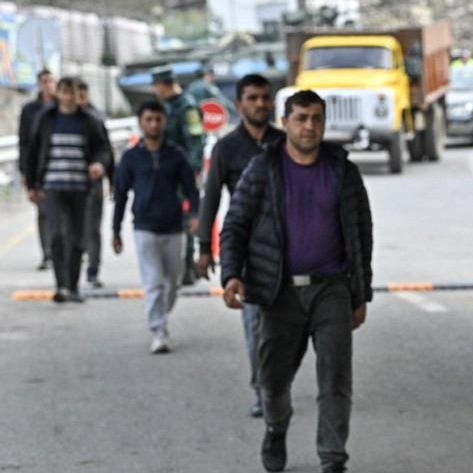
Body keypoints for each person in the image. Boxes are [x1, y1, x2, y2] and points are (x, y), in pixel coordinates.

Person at [220, 90, 373, 473]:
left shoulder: (342, 169)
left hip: (332, 289)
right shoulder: (264, 167)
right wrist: (232, 274)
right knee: (272, 380)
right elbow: (235, 224)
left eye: (317, 118)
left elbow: (361, 233)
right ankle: (276, 428)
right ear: (284, 122)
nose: (309, 126)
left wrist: (361, 293)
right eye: (301, 118)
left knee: (336, 376)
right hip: (278, 292)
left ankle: (333, 458)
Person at [196, 74, 284, 418]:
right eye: (252, 98)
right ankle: (263, 389)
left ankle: (278, 382)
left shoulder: (285, 142)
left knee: (286, 326)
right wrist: (205, 247)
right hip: (247, 249)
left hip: (290, 249)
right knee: (255, 325)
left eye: (264, 97)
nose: (259, 104)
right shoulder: (227, 149)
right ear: (239, 104)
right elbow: (212, 197)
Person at [112, 100, 199, 354]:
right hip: (144, 228)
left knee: (173, 284)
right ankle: (159, 330)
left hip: (173, 227)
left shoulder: (176, 155)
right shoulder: (131, 158)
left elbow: (191, 189)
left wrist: (194, 214)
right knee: (153, 283)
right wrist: (115, 230)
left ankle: (161, 314)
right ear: (140, 122)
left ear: (165, 122)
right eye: (148, 119)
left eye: (158, 119)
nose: (153, 124)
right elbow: (120, 195)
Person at [23, 77, 112, 303]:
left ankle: (73, 286)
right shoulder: (46, 118)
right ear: (58, 94)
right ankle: (60, 285)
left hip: (80, 187)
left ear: (78, 94)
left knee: (77, 237)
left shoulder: (89, 120)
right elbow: (32, 151)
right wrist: (33, 183)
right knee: (56, 234)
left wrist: (99, 165)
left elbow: (104, 148)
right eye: (64, 91)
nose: (68, 96)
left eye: (72, 92)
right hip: (53, 186)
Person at [151, 67, 204, 286]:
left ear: (164, 84)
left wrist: (192, 172)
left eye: (157, 86)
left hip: (182, 171)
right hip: (164, 172)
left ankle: (189, 265)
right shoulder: (165, 106)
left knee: (186, 217)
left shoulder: (187, 107)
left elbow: (194, 141)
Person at [18, 69, 57, 270]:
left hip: (61, 166)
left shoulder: (65, 107)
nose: (48, 85)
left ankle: (69, 251)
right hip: (39, 168)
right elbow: (24, 143)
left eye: (51, 81)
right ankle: (47, 254)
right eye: (44, 81)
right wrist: (25, 172)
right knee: (44, 213)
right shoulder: (30, 110)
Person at [77, 79, 114, 289]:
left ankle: (93, 270)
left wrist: (110, 177)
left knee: (93, 229)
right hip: (68, 184)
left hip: (92, 184)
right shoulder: (58, 118)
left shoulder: (95, 119)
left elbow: (105, 149)